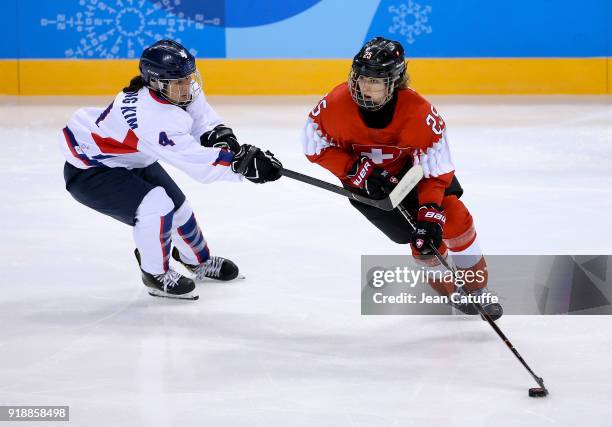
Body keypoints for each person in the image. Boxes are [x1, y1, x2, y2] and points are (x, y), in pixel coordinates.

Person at [60, 39, 282, 300]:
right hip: (91, 169)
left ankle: (197, 261)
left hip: (133, 159)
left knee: (179, 208)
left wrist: (224, 140)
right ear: (155, 82)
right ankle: (155, 274)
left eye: (189, 78)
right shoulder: (151, 116)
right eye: (179, 82)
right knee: (157, 206)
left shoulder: (175, 90)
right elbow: (198, 164)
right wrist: (242, 166)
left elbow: (203, 121)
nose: (187, 86)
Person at [301, 37, 502, 319]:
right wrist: (353, 169)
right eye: (361, 77)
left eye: (375, 80)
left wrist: (430, 210)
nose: (363, 86)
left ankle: (477, 288)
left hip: (414, 177)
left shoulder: (418, 113)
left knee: (453, 217)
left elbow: (435, 168)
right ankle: (451, 293)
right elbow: (314, 145)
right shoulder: (335, 105)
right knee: (420, 245)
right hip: (369, 188)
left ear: (393, 82)